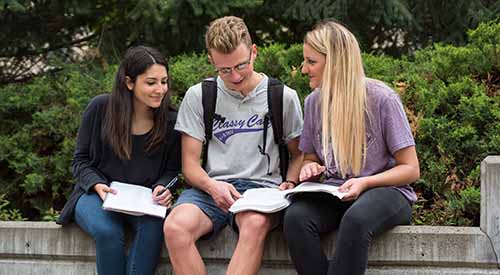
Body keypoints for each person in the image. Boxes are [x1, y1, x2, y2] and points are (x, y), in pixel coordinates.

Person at [163, 16, 304, 275]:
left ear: (254, 52)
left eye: (241, 65)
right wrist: (212, 186)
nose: (235, 76)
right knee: (175, 227)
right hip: (211, 189)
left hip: (262, 190)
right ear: (211, 61)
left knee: (254, 224)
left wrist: (291, 182)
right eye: (224, 70)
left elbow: (299, 154)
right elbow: (190, 165)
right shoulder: (200, 96)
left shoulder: (282, 96)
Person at [283, 21, 420, 275]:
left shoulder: (382, 98)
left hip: (387, 191)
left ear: (334, 61)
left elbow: (411, 169)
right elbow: (310, 156)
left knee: (356, 221)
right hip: (337, 191)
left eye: (311, 62)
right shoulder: (314, 102)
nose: (304, 69)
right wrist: (310, 166)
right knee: (295, 219)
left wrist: (365, 183)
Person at [56, 46, 181, 275]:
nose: (160, 89)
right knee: (108, 233)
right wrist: (96, 185)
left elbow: (173, 171)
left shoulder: (171, 121)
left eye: (164, 81)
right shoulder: (100, 108)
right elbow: (80, 161)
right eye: (151, 82)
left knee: (153, 228)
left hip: (144, 202)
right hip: (97, 195)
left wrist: (163, 187)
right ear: (129, 82)